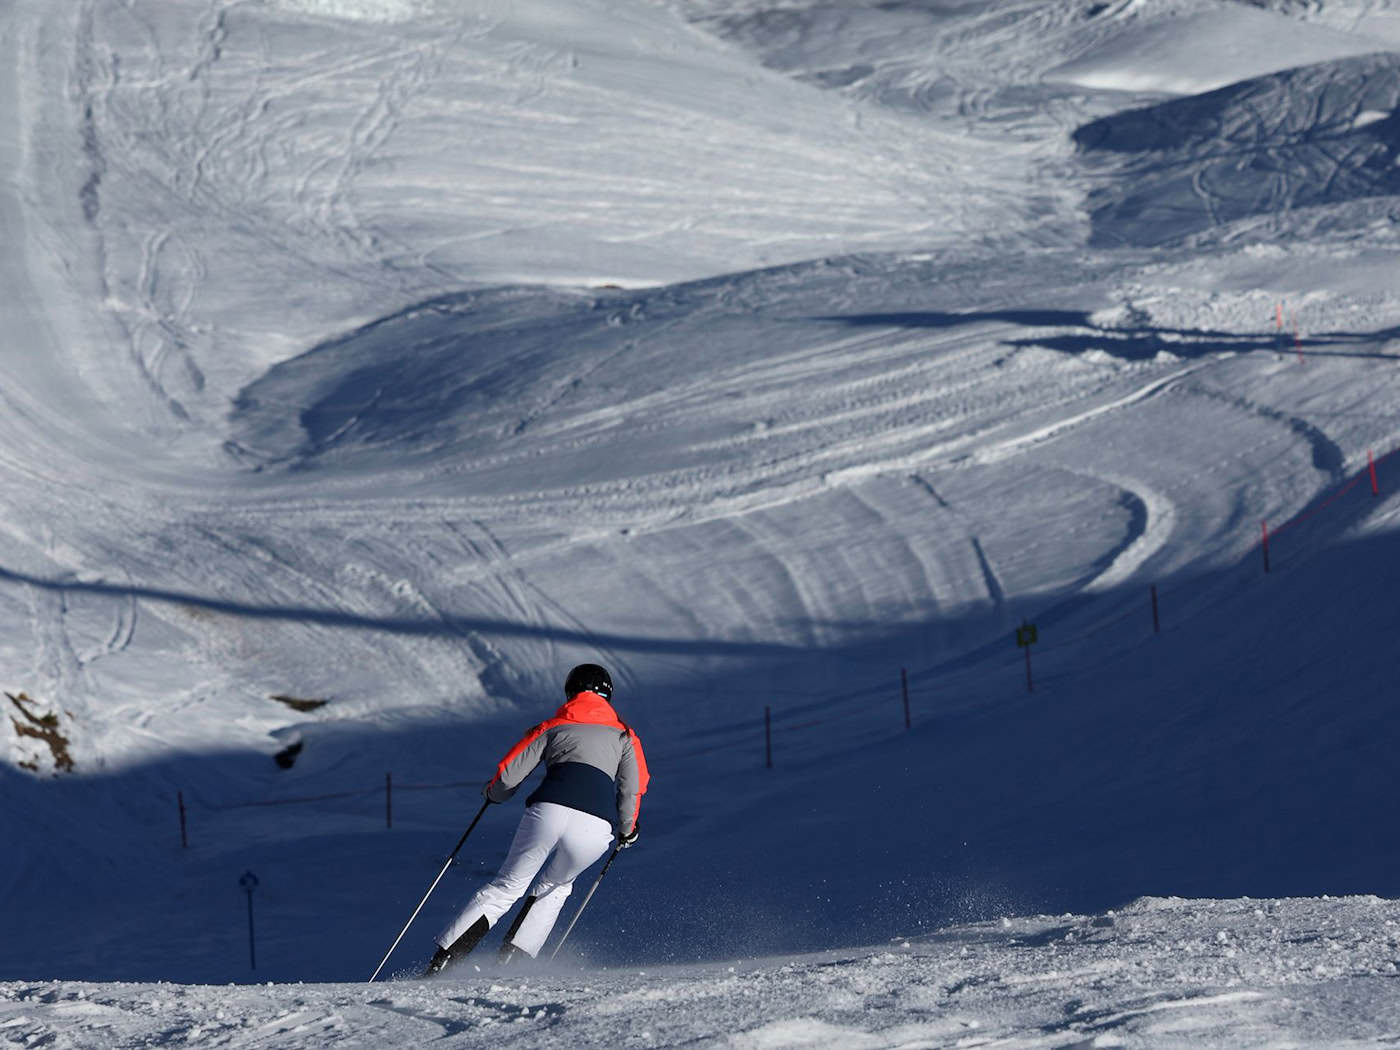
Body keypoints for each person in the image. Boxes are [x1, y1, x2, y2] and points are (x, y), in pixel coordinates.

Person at [425, 663, 649, 973]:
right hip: (595, 827)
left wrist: (495, 795)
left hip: (549, 812)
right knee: (555, 888)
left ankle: (443, 962)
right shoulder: (626, 737)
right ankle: (510, 965)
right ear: (608, 696)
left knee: (508, 887)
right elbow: (631, 791)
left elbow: (509, 774)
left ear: (571, 692)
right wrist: (627, 831)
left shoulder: (553, 725)